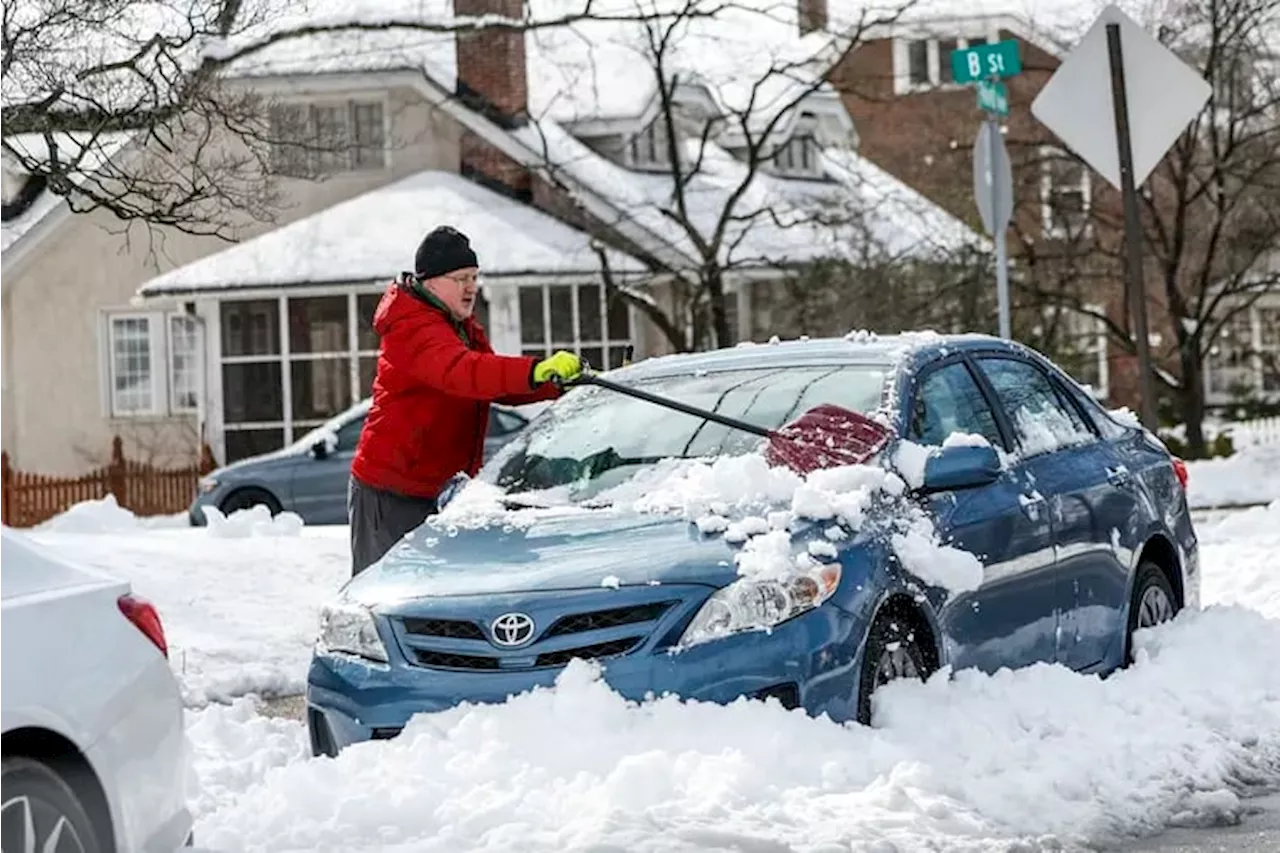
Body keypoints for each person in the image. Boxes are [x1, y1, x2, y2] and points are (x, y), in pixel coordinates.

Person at [347, 225, 582, 576]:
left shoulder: (459, 326)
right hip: (392, 492)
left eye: (474, 277)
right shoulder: (412, 326)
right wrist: (534, 369)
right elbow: (462, 372)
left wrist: (555, 383)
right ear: (430, 282)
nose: (471, 287)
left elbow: (491, 384)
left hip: (440, 489)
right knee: (386, 598)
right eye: (461, 278)